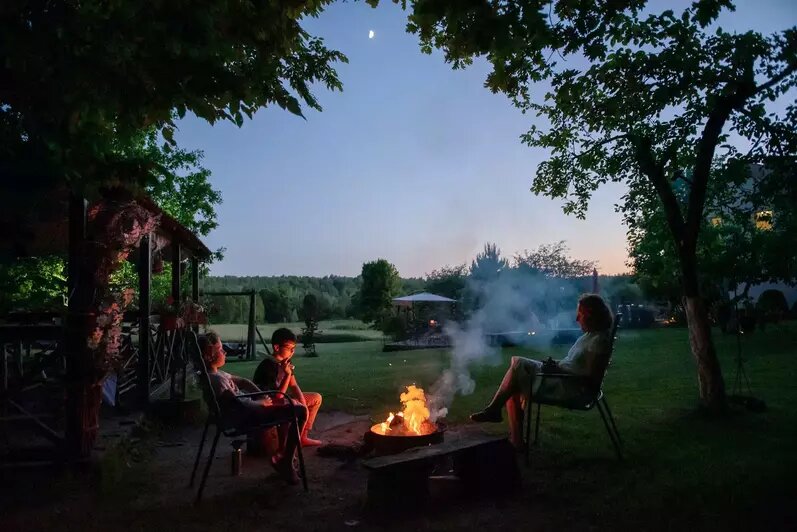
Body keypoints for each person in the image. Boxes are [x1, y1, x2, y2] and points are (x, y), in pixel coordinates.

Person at [470, 294, 614, 449]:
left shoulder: (599, 342)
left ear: (591, 316)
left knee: (517, 365)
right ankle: (510, 432)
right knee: (515, 375)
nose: (576, 318)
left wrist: (557, 369)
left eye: (580, 314)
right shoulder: (589, 336)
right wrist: (556, 365)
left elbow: (591, 380)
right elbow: (574, 364)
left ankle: (494, 412)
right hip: (562, 380)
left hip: (572, 389)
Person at [202, 331, 306, 484]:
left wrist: (261, 395)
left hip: (249, 408)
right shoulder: (216, 381)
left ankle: (285, 456)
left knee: (289, 405)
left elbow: (243, 382)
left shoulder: (217, 374)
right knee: (300, 410)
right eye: (220, 349)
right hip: (248, 416)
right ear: (210, 355)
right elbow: (235, 401)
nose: (224, 352)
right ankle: (286, 461)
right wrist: (260, 403)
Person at [253, 328, 323, 447]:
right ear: (276, 347)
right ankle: (286, 447)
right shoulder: (268, 366)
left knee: (316, 398)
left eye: (293, 349)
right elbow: (278, 396)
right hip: (268, 404)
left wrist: (303, 404)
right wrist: (287, 374)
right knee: (293, 405)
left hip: (281, 399)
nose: (292, 352)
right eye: (290, 348)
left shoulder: (285, 362)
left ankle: (302, 437)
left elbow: (294, 385)